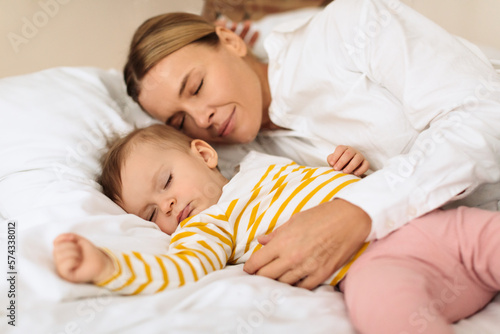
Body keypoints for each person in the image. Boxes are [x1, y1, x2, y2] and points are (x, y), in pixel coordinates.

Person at [122, 0, 500, 289]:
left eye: (197, 87)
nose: (201, 119)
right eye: (179, 120)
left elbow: (485, 114)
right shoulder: (242, 172)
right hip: (443, 256)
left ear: (230, 40)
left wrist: (359, 211)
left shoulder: (349, 25)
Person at [53, 124, 500, 334]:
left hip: (422, 221)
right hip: (372, 267)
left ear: (204, 154)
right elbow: (181, 269)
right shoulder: (209, 226)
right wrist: (107, 265)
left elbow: (354, 186)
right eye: (151, 214)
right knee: (383, 316)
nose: (166, 205)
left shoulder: (264, 164)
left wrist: (353, 170)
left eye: (166, 182)